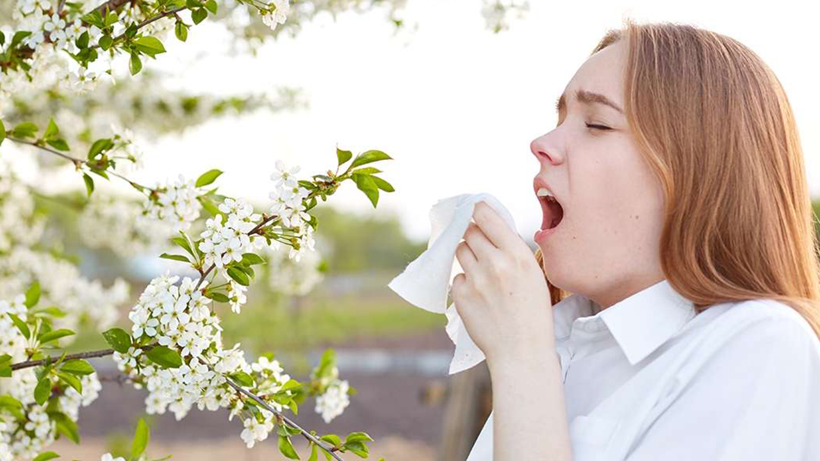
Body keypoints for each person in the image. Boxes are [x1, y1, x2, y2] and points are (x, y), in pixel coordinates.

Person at [450, 18, 820, 461]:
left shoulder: (761, 345)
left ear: (695, 172)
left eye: (598, 125)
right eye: (561, 118)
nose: (542, 143)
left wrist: (521, 359)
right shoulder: (567, 343)